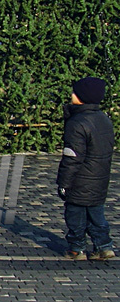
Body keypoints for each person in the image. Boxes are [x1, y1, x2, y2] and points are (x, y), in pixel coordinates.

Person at [57, 76, 115, 261]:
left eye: (75, 92)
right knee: (97, 216)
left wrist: (64, 183)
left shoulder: (77, 123)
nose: (71, 94)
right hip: (99, 179)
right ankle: (104, 247)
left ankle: (76, 248)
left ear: (82, 97)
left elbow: (72, 157)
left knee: (75, 216)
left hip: (79, 181)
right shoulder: (104, 119)